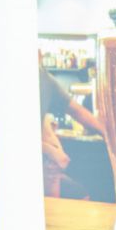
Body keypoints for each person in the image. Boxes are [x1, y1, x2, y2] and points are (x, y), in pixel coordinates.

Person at [39, 63, 105, 198]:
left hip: (47, 168)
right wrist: (49, 150)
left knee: (81, 195)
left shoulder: (43, 77)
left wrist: (109, 135)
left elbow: (77, 111)